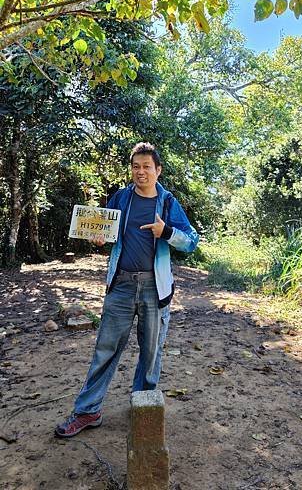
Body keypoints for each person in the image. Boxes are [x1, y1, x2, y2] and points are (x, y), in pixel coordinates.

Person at [55, 142, 199, 438]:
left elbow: (191, 241)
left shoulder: (168, 203)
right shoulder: (121, 197)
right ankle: (87, 411)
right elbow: (107, 232)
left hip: (153, 288)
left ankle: (142, 409)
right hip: (120, 285)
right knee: (105, 350)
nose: (141, 172)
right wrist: (99, 238)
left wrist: (166, 232)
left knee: (150, 353)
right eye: (136, 166)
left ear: (158, 170)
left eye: (147, 166)